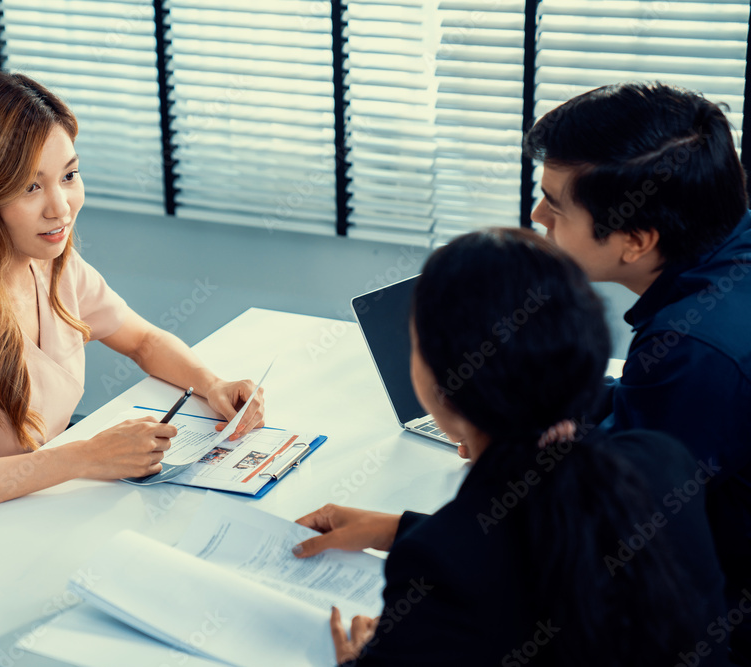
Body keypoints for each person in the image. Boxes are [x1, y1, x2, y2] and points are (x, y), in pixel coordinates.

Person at [0, 72, 264, 563]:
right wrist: (83, 458)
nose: (61, 207)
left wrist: (209, 382)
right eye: (31, 186)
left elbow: (141, 340)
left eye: (69, 176)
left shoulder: (50, 262)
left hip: (20, 524)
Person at [292, 229, 728, 665]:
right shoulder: (664, 462)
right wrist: (401, 529)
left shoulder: (437, 565)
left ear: (443, 387)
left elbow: (493, 559)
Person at [524, 82, 751, 662]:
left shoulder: (693, 347)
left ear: (635, 240)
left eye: (556, 204)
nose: (537, 215)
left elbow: (617, 527)